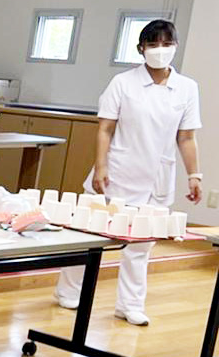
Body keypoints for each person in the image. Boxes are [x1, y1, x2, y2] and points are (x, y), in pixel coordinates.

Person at [55, 19, 203, 326]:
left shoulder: (187, 88)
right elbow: (105, 129)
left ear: (175, 46)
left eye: (166, 44)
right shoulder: (123, 83)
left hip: (157, 176)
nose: (160, 50)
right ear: (141, 49)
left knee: (142, 244)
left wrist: (194, 175)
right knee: (88, 233)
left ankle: (130, 304)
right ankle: (68, 291)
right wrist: (101, 165)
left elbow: (186, 138)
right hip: (116, 172)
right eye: (153, 44)